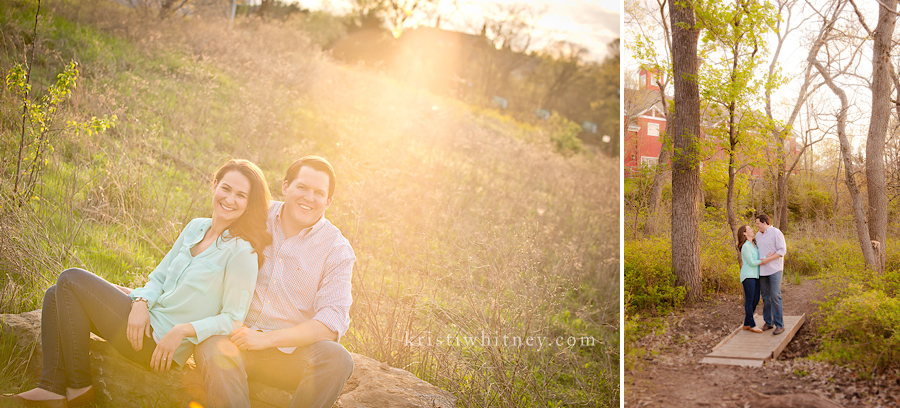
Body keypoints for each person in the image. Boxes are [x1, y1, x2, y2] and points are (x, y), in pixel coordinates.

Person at [2, 159, 272, 408]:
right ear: (214, 185)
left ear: (250, 204)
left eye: (241, 195)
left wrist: (182, 331)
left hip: (158, 344)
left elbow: (234, 319)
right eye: (226, 188)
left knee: (70, 279)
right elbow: (159, 277)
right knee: (54, 294)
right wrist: (141, 303)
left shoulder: (242, 252)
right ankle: (55, 388)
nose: (230, 199)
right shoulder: (196, 227)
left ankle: (79, 386)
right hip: (144, 322)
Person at [195, 155, 355, 408]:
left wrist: (266, 340)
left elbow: (331, 321)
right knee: (214, 347)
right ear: (286, 186)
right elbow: (208, 253)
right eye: (302, 187)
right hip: (231, 340)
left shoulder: (336, 249)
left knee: (338, 359)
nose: (308, 198)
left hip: (288, 357)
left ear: (329, 201)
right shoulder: (256, 214)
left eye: (318, 192)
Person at [755, 214, 787, 336]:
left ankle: (780, 325)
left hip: (775, 269)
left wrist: (768, 260)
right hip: (762, 271)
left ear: (764, 223)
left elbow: (782, 251)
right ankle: (768, 322)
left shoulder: (776, 232)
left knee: (775, 296)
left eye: (758, 223)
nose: (756, 226)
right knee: (766, 298)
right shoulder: (758, 235)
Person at [736, 225, 771, 333]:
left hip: (755, 275)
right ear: (744, 233)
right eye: (749, 229)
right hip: (748, 275)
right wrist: (764, 260)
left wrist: (765, 257)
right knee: (750, 300)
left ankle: (746, 324)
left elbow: (757, 257)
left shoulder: (754, 244)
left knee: (756, 299)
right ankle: (752, 324)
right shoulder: (745, 246)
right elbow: (751, 262)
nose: (752, 230)